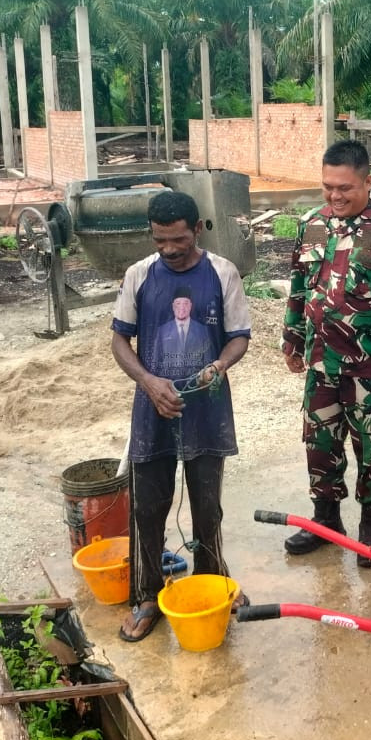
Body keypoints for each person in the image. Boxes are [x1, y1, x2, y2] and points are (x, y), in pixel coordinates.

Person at [110, 190, 251, 641]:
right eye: (160, 241)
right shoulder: (139, 275)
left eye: (178, 240)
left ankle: (213, 578)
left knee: (208, 507)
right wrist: (149, 382)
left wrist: (220, 365)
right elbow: (119, 341)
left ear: (198, 230)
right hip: (152, 410)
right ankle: (148, 594)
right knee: (148, 508)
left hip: (207, 408)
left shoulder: (223, 273)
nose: (169, 249)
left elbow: (239, 336)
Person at [282, 140, 371, 567]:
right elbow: (299, 286)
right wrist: (292, 338)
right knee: (319, 445)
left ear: (367, 182)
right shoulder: (311, 224)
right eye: (328, 186)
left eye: (344, 188)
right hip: (321, 364)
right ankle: (326, 521)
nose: (335, 195)